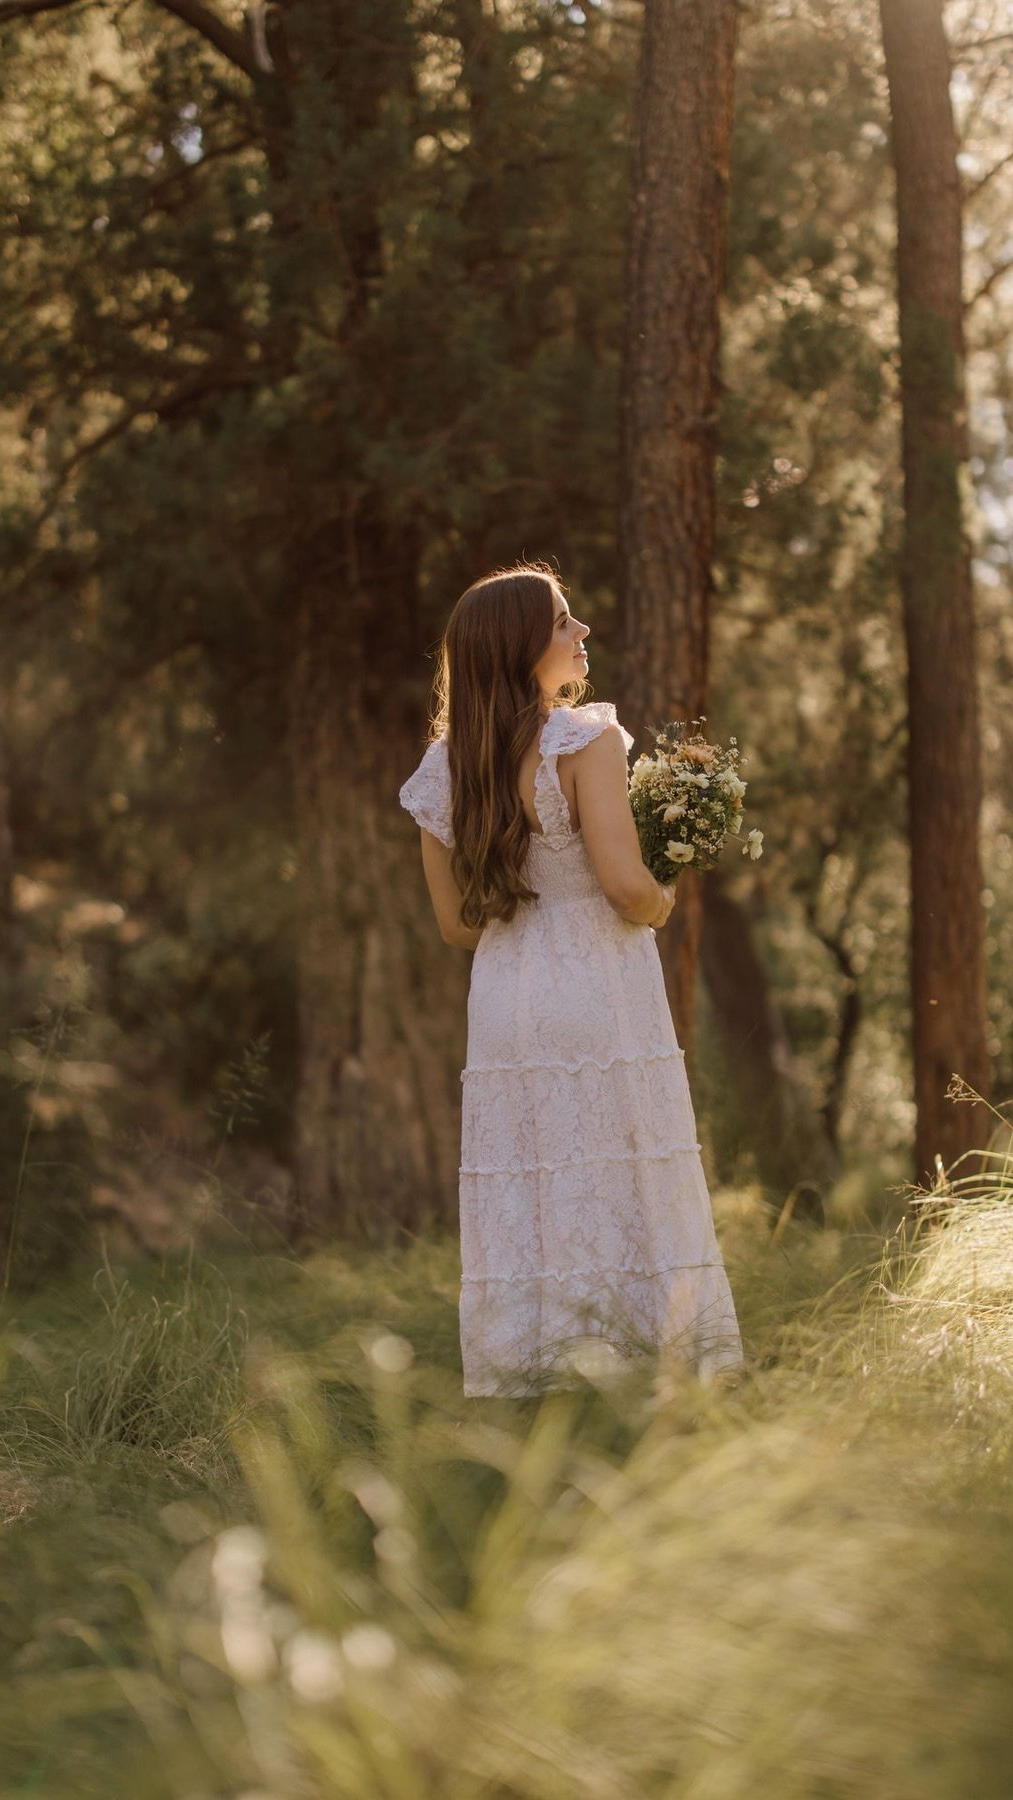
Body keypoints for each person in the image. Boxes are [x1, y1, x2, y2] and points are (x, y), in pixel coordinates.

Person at [398, 563, 745, 1396]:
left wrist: (529, 909)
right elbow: (626, 888)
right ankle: (649, 1359)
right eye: (563, 621)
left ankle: (540, 1370)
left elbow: (456, 926)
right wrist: (663, 901)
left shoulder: (442, 772)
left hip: (509, 995)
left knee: (535, 1176)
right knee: (625, 1163)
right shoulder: (582, 740)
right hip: (596, 980)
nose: (581, 631)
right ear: (522, 647)